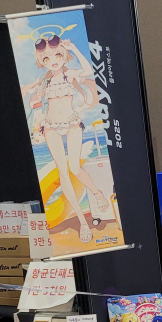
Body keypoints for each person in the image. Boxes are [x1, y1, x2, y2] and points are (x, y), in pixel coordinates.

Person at [20, 35, 105, 243]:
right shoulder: (44, 80)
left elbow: (88, 70)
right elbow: (31, 102)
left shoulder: (70, 74)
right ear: (41, 61)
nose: (53, 61)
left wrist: (73, 47)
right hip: (50, 126)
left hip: (72, 123)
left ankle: (97, 193)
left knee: (75, 168)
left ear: (64, 55)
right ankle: (82, 223)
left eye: (57, 55)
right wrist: (35, 99)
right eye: (46, 58)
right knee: (63, 173)